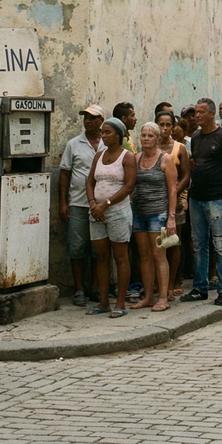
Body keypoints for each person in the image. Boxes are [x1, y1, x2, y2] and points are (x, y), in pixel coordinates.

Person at [181, 98, 222, 307]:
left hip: (218, 198)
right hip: (197, 198)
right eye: (196, 112)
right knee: (199, 244)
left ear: (212, 113)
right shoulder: (196, 137)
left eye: (201, 112)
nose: (197, 116)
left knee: (221, 244)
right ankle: (200, 288)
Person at [85, 118, 137, 318]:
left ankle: (120, 303)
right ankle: (104, 302)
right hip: (96, 213)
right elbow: (90, 182)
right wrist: (92, 204)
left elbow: (129, 186)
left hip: (118, 212)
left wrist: (106, 204)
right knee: (101, 257)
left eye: (107, 132)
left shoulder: (127, 157)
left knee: (120, 256)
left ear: (118, 134)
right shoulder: (99, 156)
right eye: (102, 132)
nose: (103, 136)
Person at [59, 104, 105, 307]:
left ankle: (95, 287)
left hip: (102, 205)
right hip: (78, 203)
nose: (87, 121)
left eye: (92, 117)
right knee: (77, 247)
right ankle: (78, 289)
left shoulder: (108, 143)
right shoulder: (74, 144)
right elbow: (65, 174)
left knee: (98, 248)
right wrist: (62, 202)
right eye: (85, 117)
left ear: (101, 121)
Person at [128, 122, 177, 311]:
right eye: (143, 135)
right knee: (144, 256)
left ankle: (163, 297)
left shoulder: (165, 159)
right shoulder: (135, 158)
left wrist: (171, 217)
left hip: (159, 213)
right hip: (139, 212)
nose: (146, 139)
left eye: (150, 136)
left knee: (159, 255)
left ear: (157, 139)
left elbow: (172, 189)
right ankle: (148, 296)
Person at [157, 110, 191, 301]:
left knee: (173, 242)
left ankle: (172, 282)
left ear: (173, 127)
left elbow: (186, 174)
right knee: (157, 243)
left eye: (168, 125)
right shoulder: (150, 145)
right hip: (154, 201)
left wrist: (174, 192)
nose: (164, 128)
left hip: (174, 202)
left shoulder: (180, 148)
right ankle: (158, 282)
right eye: (161, 124)